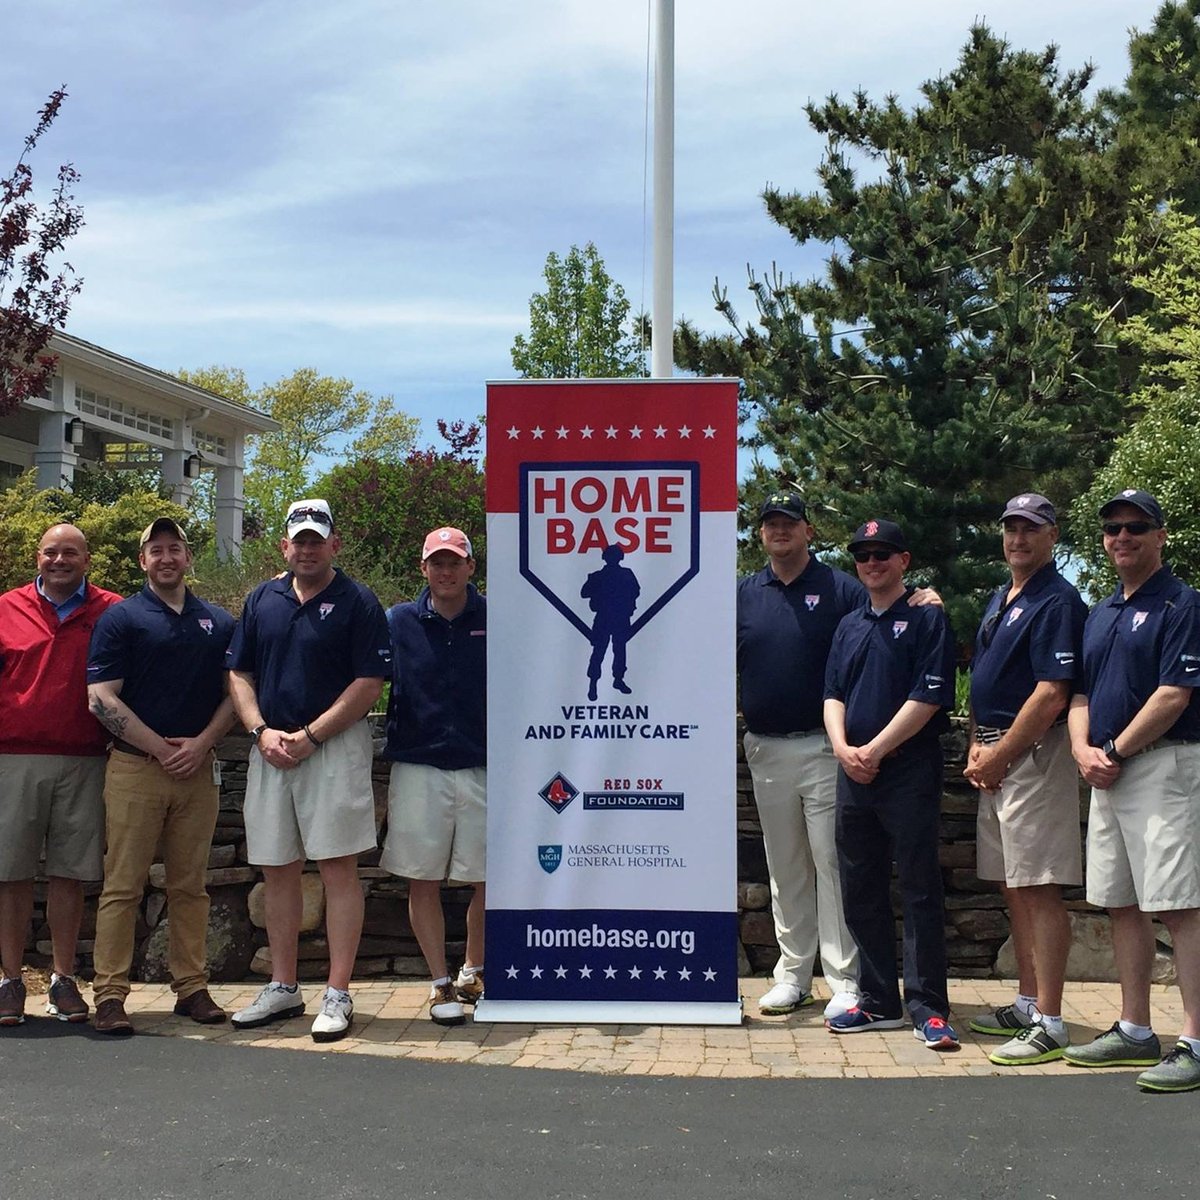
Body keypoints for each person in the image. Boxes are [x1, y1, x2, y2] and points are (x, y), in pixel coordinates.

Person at [226, 499, 390, 1043]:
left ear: (334, 545)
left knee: (338, 868)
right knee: (277, 868)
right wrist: (259, 730)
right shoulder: (262, 599)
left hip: (333, 748)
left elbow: (369, 683)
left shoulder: (357, 601)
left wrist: (312, 735)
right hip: (270, 747)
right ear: (284, 546)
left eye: (317, 539)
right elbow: (240, 672)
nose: (307, 548)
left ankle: (338, 993)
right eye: (299, 539)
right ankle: (283, 986)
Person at [1065, 489, 1200, 1093]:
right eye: (1113, 529)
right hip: (1105, 771)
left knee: (1180, 906)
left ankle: (1195, 1041)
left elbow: (1175, 694)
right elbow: (1080, 695)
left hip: (1163, 767)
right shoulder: (1100, 612)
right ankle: (1136, 1028)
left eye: (1136, 527)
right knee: (1120, 901)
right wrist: (1081, 749)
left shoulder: (1182, 603)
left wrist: (1114, 750)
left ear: (1160, 535)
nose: (1122, 537)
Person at [86, 517, 236, 1035]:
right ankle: (109, 995)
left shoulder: (217, 621)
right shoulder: (121, 618)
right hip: (134, 767)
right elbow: (102, 697)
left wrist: (201, 744)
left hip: (197, 770)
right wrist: (160, 748)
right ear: (142, 561)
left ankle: (191, 988)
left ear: (188, 558)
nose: (166, 558)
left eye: (175, 549)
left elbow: (234, 695)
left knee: (190, 887)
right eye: (156, 550)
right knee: (122, 886)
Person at [823, 518, 958, 1049]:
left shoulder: (927, 618)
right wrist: (842, 749)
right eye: (863, 554)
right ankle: (879, 1001)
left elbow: (928, 696)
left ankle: (928, 1006)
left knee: (920, 887)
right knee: (861, 887)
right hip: (854, 773)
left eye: (883, 554)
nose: (872, 562)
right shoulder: (849, 624)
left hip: (907, 771)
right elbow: (832, 693)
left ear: (903, 560)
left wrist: (874, 751)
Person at [964, 494, 1087, 1065]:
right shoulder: (1003, 594)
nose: (1018, 538)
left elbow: (1051, 692)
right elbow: (986, 681)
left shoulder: (1058, 600)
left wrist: (1000, 755)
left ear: (1052, 535)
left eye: (1030, 529)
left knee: (1039, 885)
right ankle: (1029, 1001)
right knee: (1015, 883)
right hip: (995, 754)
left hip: (1033, 755)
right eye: (1011, 528)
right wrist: (975, 746)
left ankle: (1053, 1022)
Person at [0, 524, 121, 1027]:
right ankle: (9, 981)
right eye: (51, 552)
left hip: (86, 758)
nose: (60, 559)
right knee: (10, 874)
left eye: (71, 552)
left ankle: (63, 979)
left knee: (70, 874)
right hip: (13, 758)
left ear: (88, 560)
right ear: (38, 557)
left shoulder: (112, 611)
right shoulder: (5, 608)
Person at [380, 526, 486, 1025]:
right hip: (419, 764)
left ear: (470, 567)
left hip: (483, 763)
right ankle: (439, 983)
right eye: (436, 562)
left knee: (486, 878)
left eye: (455, 561)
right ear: (423, 569)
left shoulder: (497, 618)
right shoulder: (396, 620)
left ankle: (473, 971)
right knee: (422, 879)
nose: (446, 571)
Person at [581, 544, 639, 700]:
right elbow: (584, 593)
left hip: (619, 617)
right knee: (600, 651)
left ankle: (617, 679)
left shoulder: (625, 574)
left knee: (618, 650)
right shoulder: (598, 576)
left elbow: (635, 591)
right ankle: (593, 683)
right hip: (605, 617)